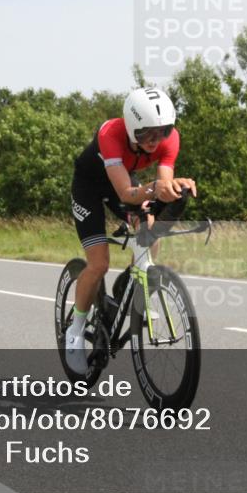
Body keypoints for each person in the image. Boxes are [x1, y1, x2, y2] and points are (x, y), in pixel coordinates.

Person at [66, 87, 197, 374]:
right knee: (99, 263)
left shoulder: (169, 140)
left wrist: (175, 188)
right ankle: (75, 330)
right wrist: (154, 188)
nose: (154, 141)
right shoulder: (111, 134)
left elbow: (162, 185)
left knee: (148, 227)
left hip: (126, 181)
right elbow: (126, 193)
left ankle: (135, 283)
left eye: (162, 132)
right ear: (130, 126)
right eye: (146, 134)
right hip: (90, 187)